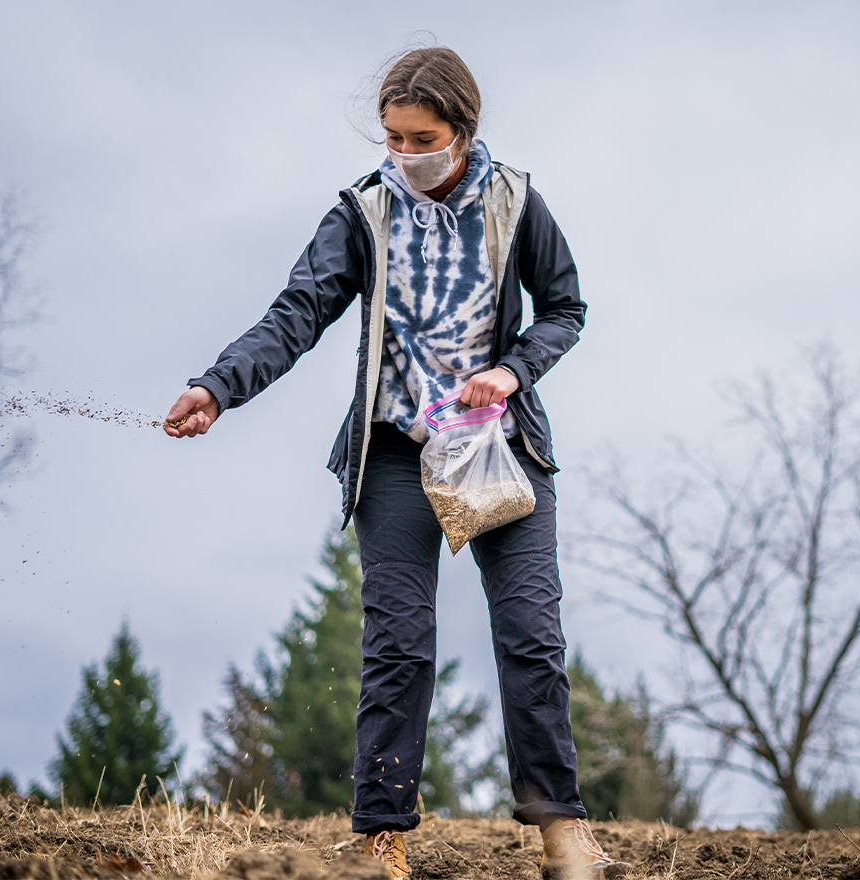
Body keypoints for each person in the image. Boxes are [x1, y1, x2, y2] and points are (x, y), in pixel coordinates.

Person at [163, 47, 621, 880]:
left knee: (531, 638)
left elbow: (566, 309)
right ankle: (384, 836)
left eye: (422, 139)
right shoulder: (363, 213)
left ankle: (562, 830)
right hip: (398, 455)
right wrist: (217, 386)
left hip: (499, 449)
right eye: (393, 138)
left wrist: (512, 370)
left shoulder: (516, 203)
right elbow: (296, 313)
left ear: (463, 131)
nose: (405, 155)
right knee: (399, 645)